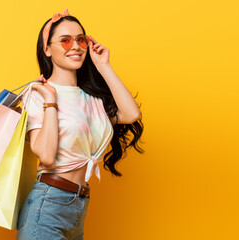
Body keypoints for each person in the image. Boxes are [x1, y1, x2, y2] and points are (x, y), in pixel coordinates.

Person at [16, 8, 145, 240]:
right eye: (65, 41)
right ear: (47, 49)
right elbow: (45, 155)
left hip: (79, 206)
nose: (75, 46)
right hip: (48, 205)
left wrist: (104, 65)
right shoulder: (37, 94)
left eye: (80, 39)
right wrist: (51, 101)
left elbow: (130, 114)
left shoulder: (92, 98)